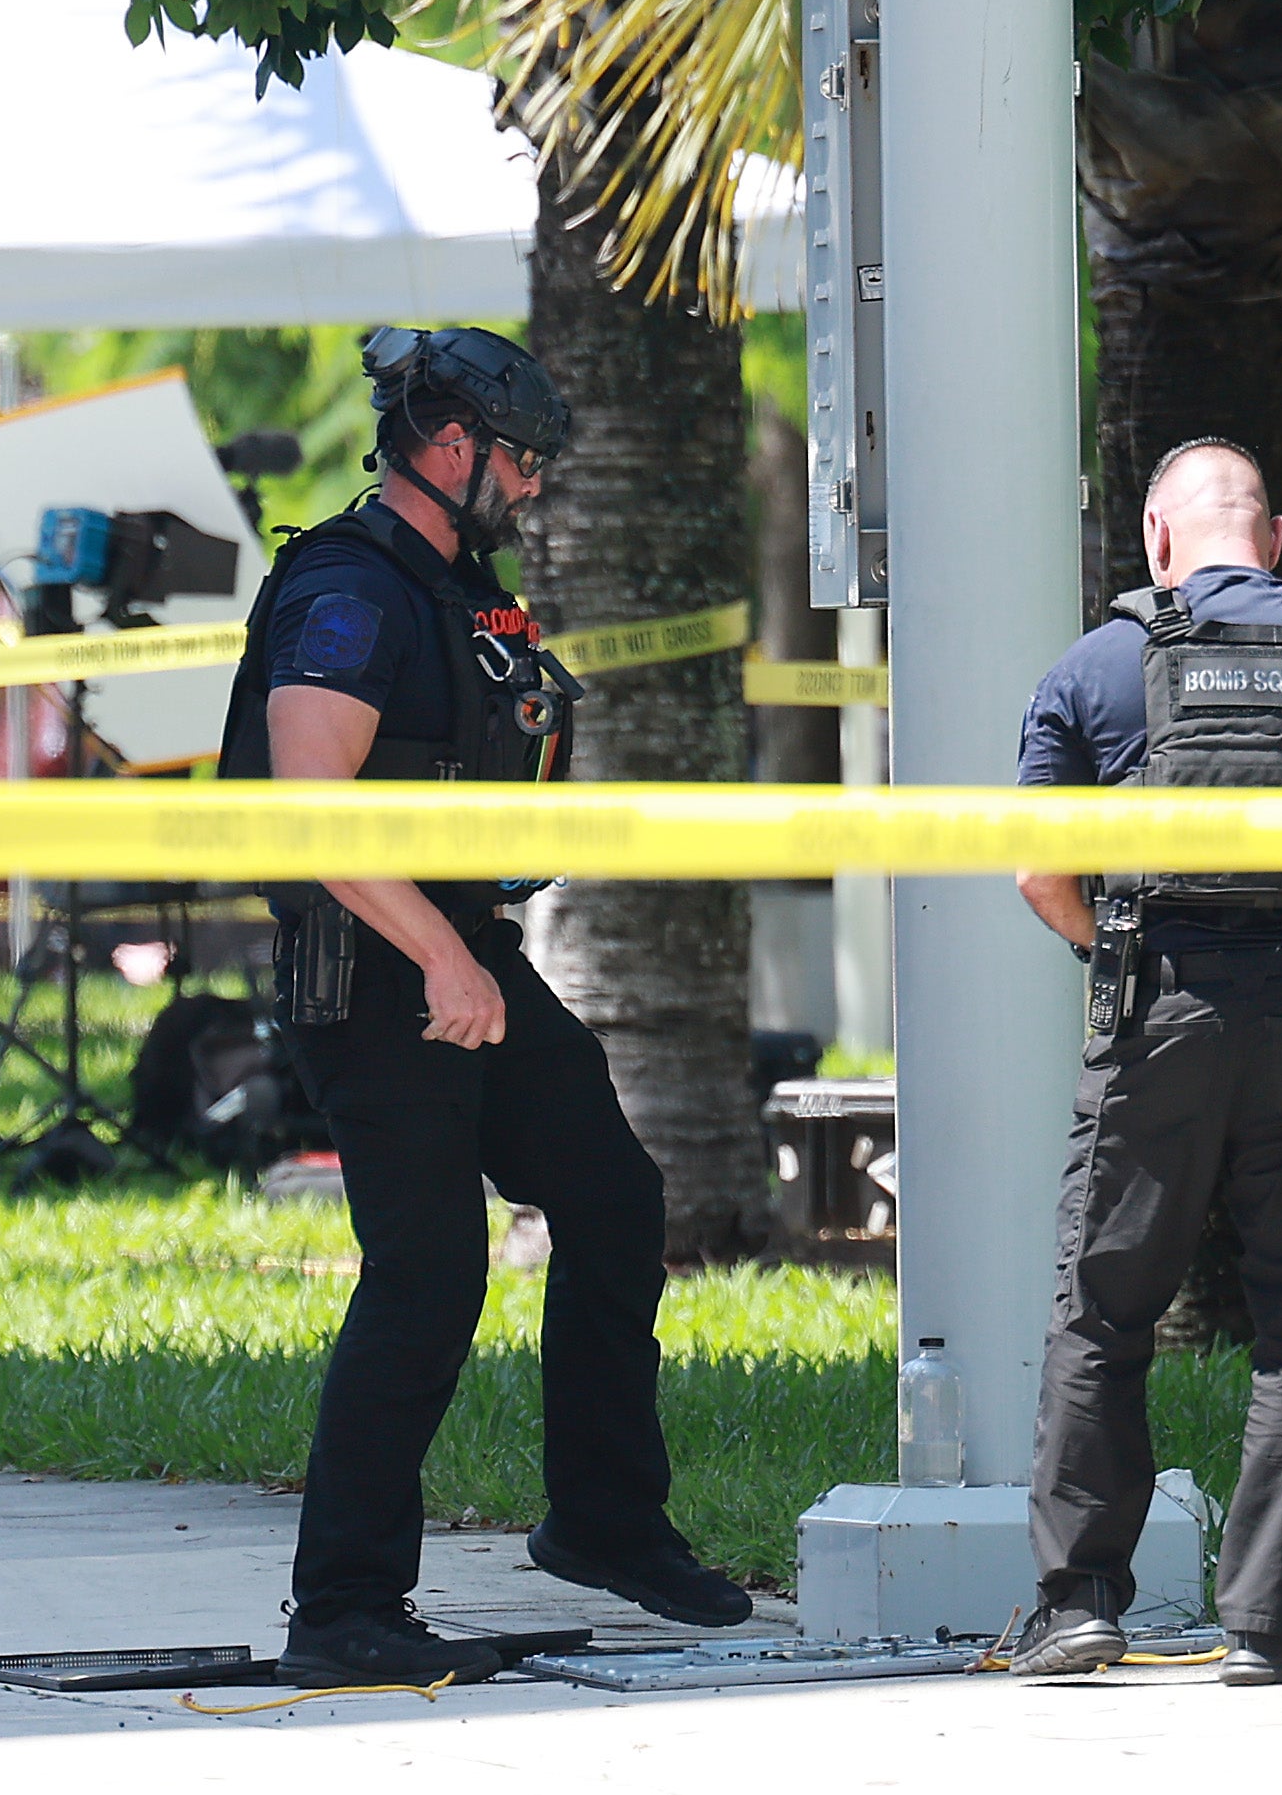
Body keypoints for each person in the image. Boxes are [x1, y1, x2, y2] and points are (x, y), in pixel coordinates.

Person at [215, 323, 749, 1690]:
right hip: (373, 962)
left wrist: (477, 937)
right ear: (448, 446)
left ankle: (606, 1523)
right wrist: (444, 961)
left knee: (615, 1198)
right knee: (430, 1265)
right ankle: (341, 1604)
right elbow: (310, 807)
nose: (534, 487)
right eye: (520, 460)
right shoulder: (349, 587)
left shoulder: (457, 587)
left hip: (459, 948)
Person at [1007, 441, 1282, 1689]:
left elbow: (1042, 873)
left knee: (1102, 1310)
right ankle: (1266, 1626)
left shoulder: (1095, 667)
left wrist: (1116, 953)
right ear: (1275, 536)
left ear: (1158, 537)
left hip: (1162, 1015)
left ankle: (1081, 1601)